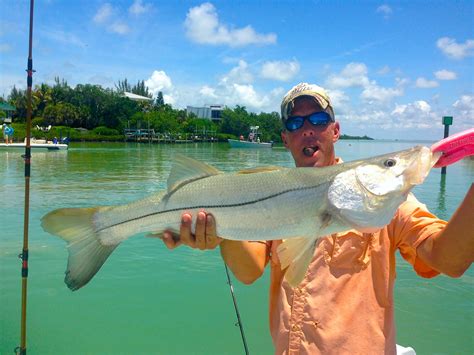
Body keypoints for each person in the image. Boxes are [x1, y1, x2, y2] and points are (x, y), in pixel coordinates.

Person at [159, 83, 474, 354]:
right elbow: (248, 270)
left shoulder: (388, 202)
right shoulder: (271, 194)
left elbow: (448, 259)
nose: (307, 129)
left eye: (319, 119)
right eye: (295, 124)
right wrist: (219, 234)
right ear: (285, 138)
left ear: (335, 130)